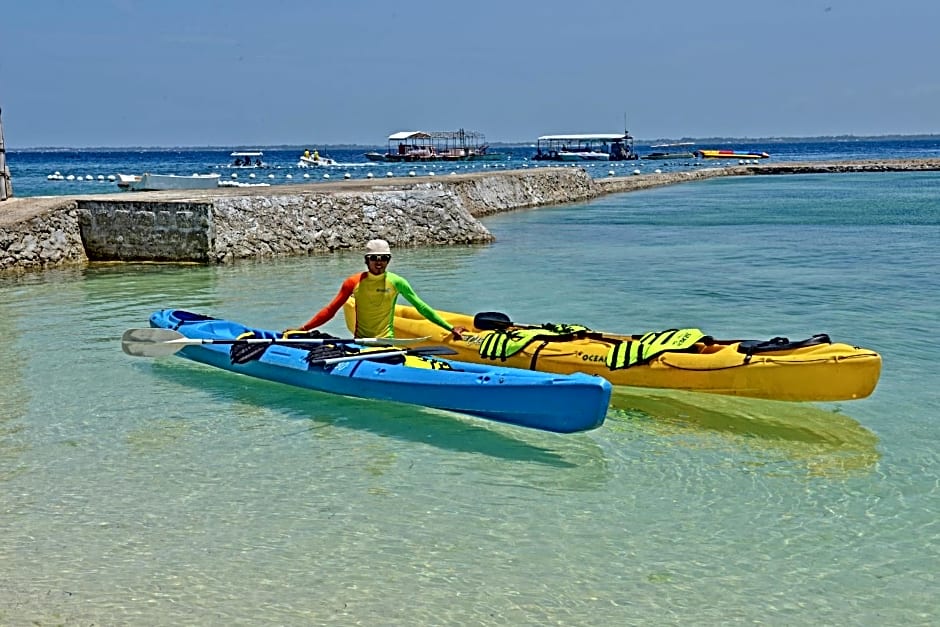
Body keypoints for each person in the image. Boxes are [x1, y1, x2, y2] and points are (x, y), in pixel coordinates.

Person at [294, 239, 465, 340]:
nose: (379, 262)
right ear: (366, 261)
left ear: (388, 260)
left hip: (387, 343)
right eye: (374, 258)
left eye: (384, 258)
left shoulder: (397, 282)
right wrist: (303, 329)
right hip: (361, 342)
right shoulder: (353, 282)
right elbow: (331, 310)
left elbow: (422, 308)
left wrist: (450, 328)